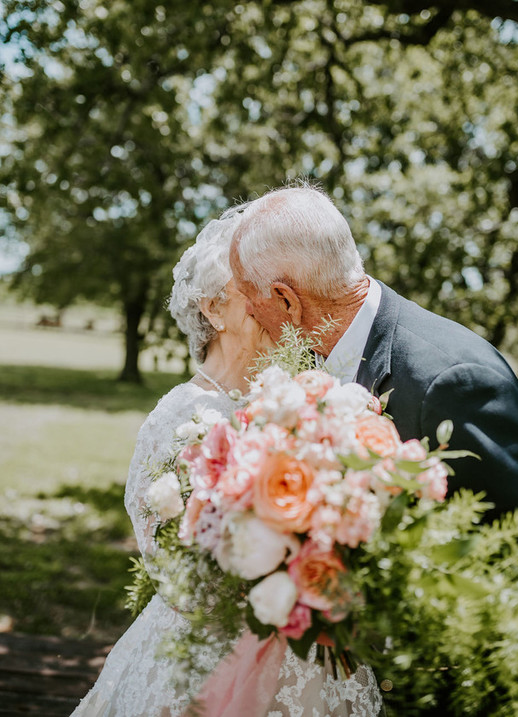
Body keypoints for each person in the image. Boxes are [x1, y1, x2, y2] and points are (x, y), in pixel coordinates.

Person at [70, 209, 382, 717]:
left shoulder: (298, 396)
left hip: (313, 653)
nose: (273, 307)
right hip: (211, 663)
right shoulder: (180, 416)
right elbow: (173, 569)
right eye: (250, 293)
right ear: (214, 308)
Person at [229, 184, 518, 578]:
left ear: (287, 299)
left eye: (247, 295)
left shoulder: (453, 383)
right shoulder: (309, 363)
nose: (248, 312)